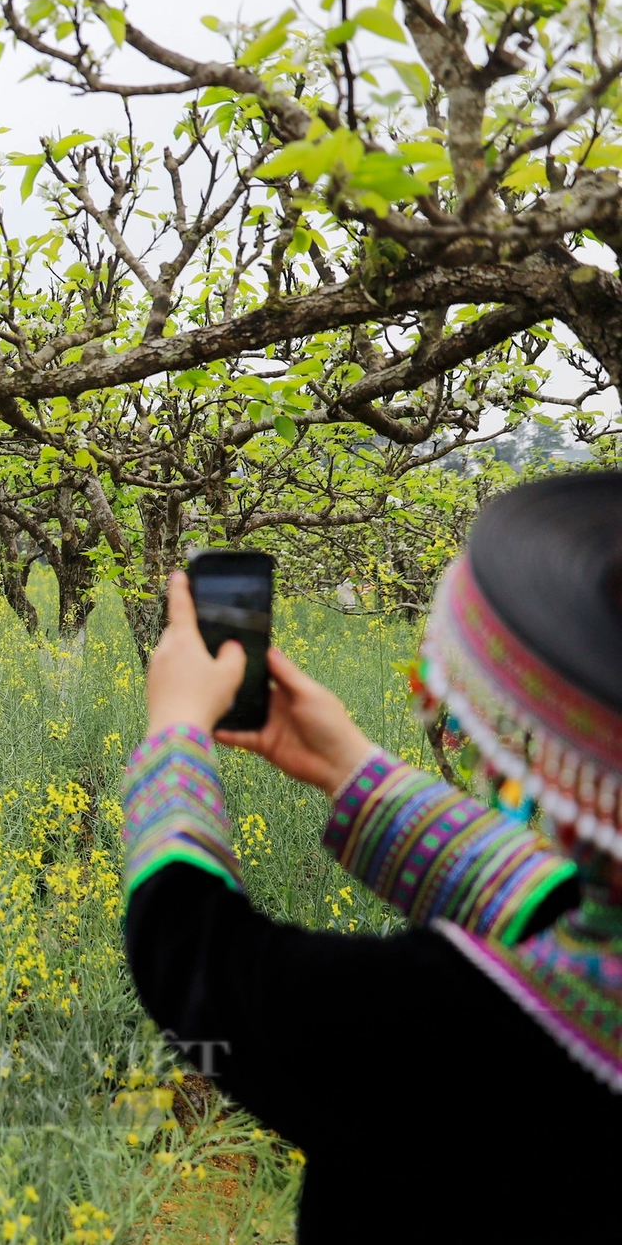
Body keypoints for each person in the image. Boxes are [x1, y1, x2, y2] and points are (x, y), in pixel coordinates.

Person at [124, 474, 620, 1242]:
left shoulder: (453, 1036)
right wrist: (347, 766)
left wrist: (175, 735)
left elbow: (197, 958)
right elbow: (549, 898)